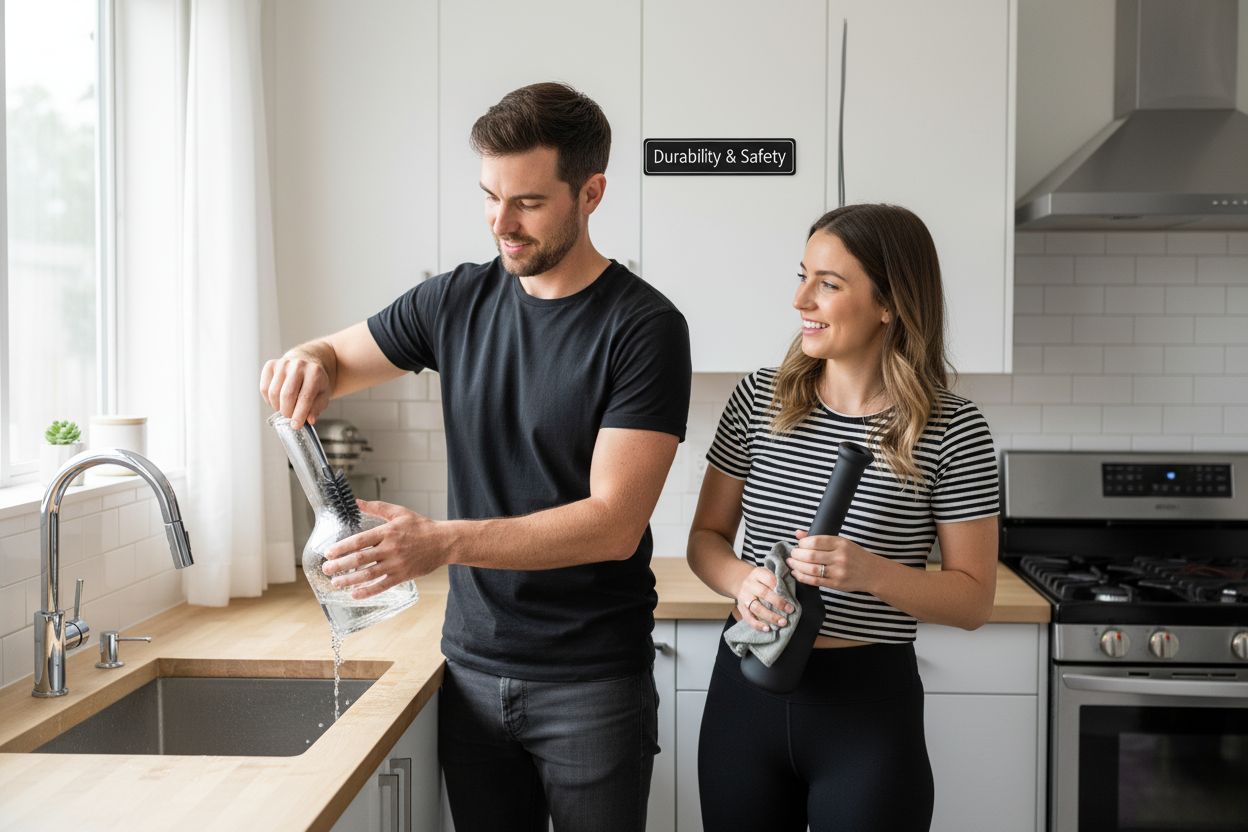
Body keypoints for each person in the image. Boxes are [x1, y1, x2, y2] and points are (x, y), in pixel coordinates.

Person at [260, 82, 691, 832]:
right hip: (470, 671)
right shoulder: (454, 300)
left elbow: (612, 525)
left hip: (591, 683)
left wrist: (440, 542)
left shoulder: (643, 327)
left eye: (528, 202)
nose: (501, 222)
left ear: (591, 193)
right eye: (490, 196)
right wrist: (307, 360)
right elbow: (334, 355)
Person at [687, 203, 1000, 832]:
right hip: (744, 696)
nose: (801, 299)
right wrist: (742, 582)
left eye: (828, 284)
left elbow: (973, 601)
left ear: (889, 303)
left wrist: (870, 572)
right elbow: (706, 539)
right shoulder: (760, 397)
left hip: (868, 714)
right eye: (802, 275)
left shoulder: (952, 429)